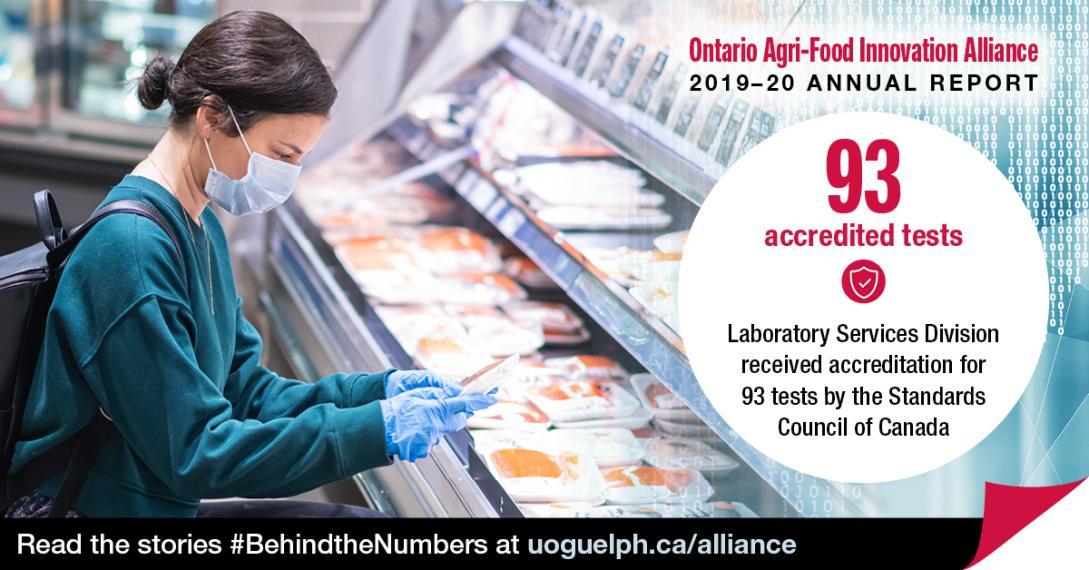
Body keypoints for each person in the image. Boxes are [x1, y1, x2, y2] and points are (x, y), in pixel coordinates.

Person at [3, 10, 495, 518]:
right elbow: (198, 453)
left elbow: (244, 390)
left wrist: (374, 395)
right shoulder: (130, 252)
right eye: (281, 155)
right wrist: (378, 431)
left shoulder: (198, 223)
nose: (288, 177)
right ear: (212, 116)